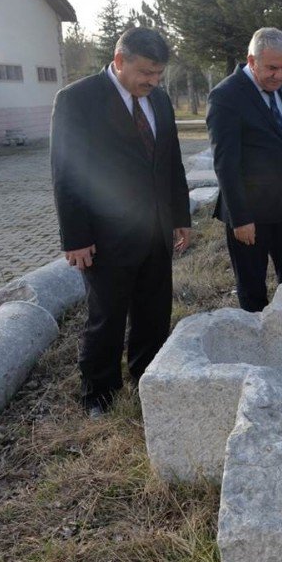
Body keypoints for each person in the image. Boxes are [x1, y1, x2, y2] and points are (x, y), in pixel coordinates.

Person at [50, 27, 191, 417]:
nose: (153, 81)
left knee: (154, 310)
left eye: (159, 74)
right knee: (106, 316)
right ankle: (99, 393)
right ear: (119, 61)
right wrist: (75, 237)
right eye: (146, 72)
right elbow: (67, 172)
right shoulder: (78, 100)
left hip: (156, 229)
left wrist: (180, 216)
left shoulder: (159, 101)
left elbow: (169, 163)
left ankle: (148, 378)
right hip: (104, 235)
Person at [207, 27, 282, 313]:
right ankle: (256, 345)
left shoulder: (280, 89)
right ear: (252, 61)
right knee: (252, 290)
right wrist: (240, 218)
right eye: (272, 68)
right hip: (248, 214)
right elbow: (225, 163)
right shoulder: (226, 96)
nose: (279, 75)